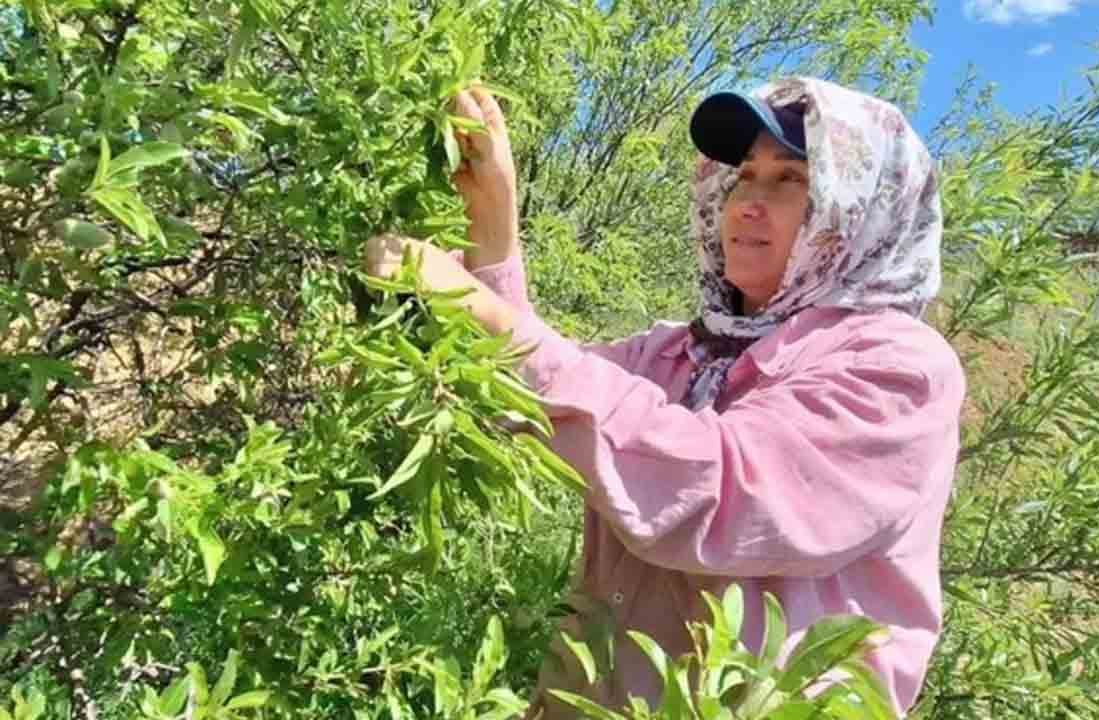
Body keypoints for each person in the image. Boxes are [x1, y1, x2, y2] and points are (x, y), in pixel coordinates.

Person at [365, 76, 965, 719]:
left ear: (860, 208)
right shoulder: (685, 352)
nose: (747, 205)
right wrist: (494, 228)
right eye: (745, 177)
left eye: (790, 180)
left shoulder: (897, 369)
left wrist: (477, 309)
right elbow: (527, 395)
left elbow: (719, 492)